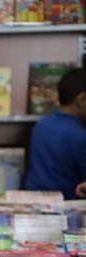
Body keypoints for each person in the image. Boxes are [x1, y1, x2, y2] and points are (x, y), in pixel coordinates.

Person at [26, 68, 86, 199]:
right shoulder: (80, 136)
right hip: (67, 205)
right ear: (81, 99)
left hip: (35, 201)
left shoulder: (41, 126)